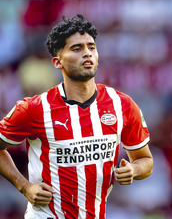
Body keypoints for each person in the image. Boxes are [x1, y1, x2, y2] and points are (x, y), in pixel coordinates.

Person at [0, 14, 153, 219]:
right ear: (57, 62)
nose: (87, 53)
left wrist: (133, 170)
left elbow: (145, 160)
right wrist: (24, 186)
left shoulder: (122, 105)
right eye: (77, 48)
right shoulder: (34, 108)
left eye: (91, 47)